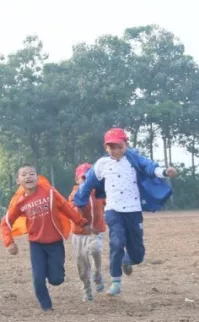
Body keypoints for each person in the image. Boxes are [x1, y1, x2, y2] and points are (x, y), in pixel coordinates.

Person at [72, 127, 177, 296]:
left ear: (126, 144)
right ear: (106, 147)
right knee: (117, 242)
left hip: (133, 211)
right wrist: (79, 200)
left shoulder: (133, 159)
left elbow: (150, 167)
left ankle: (127, 261)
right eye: (111, 147)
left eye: (119, 146)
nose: (116, 151)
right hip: (113, 210)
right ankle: (116, 281)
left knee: (138, 254)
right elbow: (88, 183)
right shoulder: (101, 164)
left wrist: (164, 172)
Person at [0, 165, 89, 312]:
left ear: (37, 177)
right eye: (24, 174)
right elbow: (6, 222)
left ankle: (50, 270)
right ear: (18, 180)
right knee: (38, 279)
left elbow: (66, 207)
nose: (28, 177)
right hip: (36, 244)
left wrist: (81, 222)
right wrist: (9, 242)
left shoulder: (50, 192)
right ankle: (46, 307)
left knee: (57, 279)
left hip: (55, 243)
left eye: (31, 174)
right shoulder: (19, 201)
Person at [68, 163, 107, 301]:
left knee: (95, 249)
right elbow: (72, 210)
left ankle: (97, 273)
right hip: (79, 233)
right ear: (77, 179)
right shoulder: (74, 194)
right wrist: (79, 208)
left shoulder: (100, 192)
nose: (87, 181)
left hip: (95, 232)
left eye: (90, 178)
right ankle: (87, 290)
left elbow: (108, 205)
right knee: (82, 265)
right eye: (83, 178)